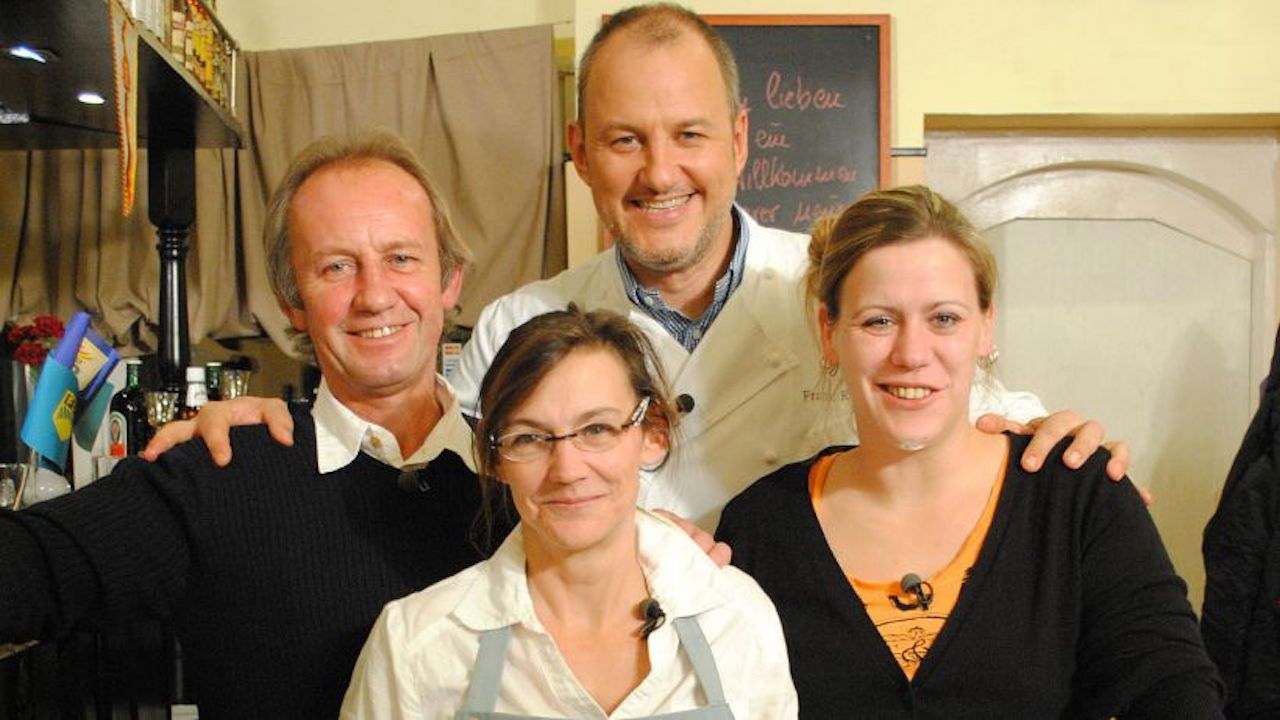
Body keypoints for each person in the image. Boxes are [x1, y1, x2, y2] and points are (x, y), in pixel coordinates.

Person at [150, 3, 1131, 532]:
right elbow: (406, 456)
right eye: (625, 140)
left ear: (738, 140)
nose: (659, 173)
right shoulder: (518, 327)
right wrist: (274, 430)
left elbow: (966, 409)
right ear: (580, 152)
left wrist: (1057, 436)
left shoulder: (838, 297)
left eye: (688, 135)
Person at [0, 132, 499, 718]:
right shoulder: (216, 472)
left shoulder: (530, 478)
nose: (374, 295)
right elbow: (27, 567)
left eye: (401, 258)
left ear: (450, 280)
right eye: (337, 267)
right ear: (292, 302)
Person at [716, 185, 1223, 718]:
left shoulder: (1076, 495)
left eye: (944, 319)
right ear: (829, 332)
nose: (912, 353)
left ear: (985, 327)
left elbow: (1176, 690)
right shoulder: (760, 526)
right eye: (879, 320)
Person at [341, 305, 796, 719]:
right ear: (495, 459)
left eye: (597, 429)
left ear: (653, 433)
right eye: (529, 438)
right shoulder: (419, 646)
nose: (567, 470)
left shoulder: (735, 617)